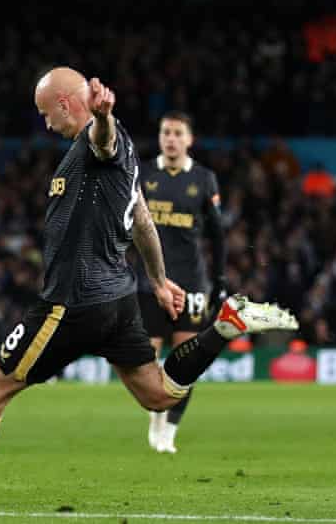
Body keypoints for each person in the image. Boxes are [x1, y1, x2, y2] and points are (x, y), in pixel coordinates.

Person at [0, 67, 297, 504]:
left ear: (65, 104)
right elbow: (144, 222)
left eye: (45, 112)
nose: (45, 123)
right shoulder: (127, 155)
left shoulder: (99, 142)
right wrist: (157, 278)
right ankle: (224, 326)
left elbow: (102, 138)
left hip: (70, 303)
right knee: (158, 394)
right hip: (119, 298)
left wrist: (102, 116)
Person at [137, 111, 227, 454]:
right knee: (148, 359)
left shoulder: (204, 179)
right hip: (150, 282)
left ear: (189, 139)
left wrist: (219, 281)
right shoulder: (144, 174)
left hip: (192, 282)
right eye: (165, 132)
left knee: (187, 361)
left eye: (177, 133)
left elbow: (218, 236)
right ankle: (156, 413)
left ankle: (169, 432)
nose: (171, 138)